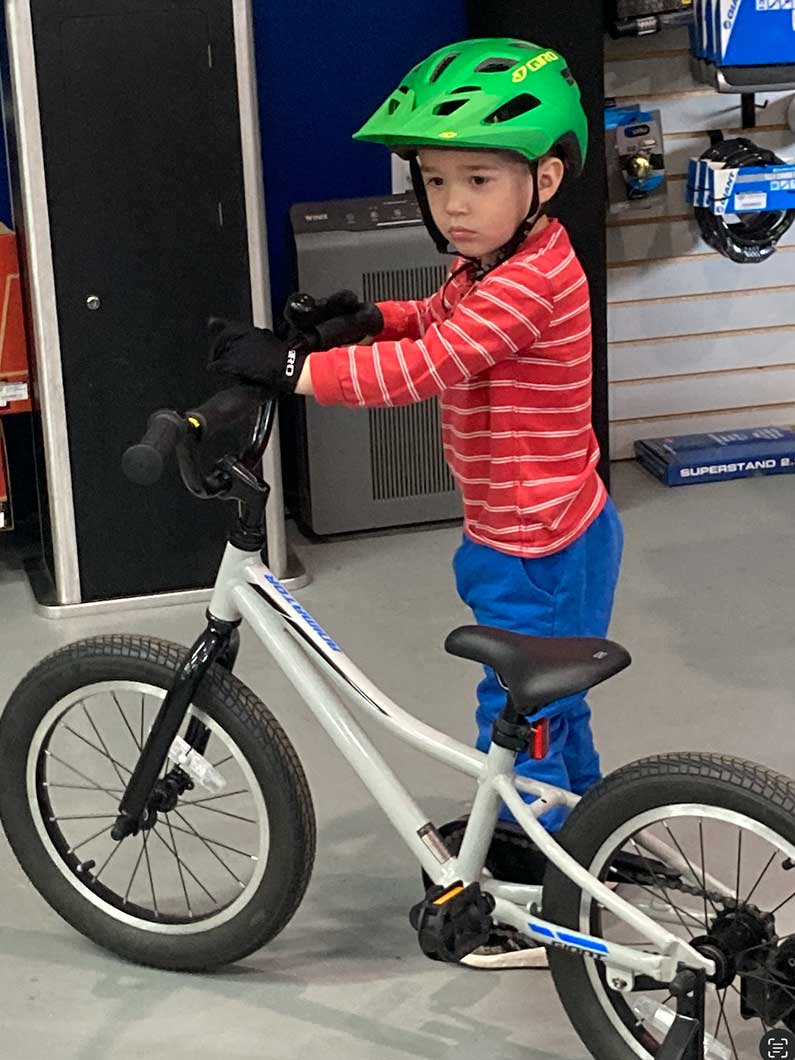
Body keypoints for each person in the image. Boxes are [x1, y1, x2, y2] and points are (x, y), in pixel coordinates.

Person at [208, 38, 624, 970]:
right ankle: (592, 836)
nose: (453, 205)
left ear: (545, 178)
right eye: (435, 182)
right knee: (557, 714)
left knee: (518, 719)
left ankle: (535, 901)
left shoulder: (531, 281)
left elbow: (427, 368)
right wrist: (369, 317)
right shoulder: (500, 263)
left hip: (536, 542)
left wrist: (295, 369)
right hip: (531, 526)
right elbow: (430, 325)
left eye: (479, 178)